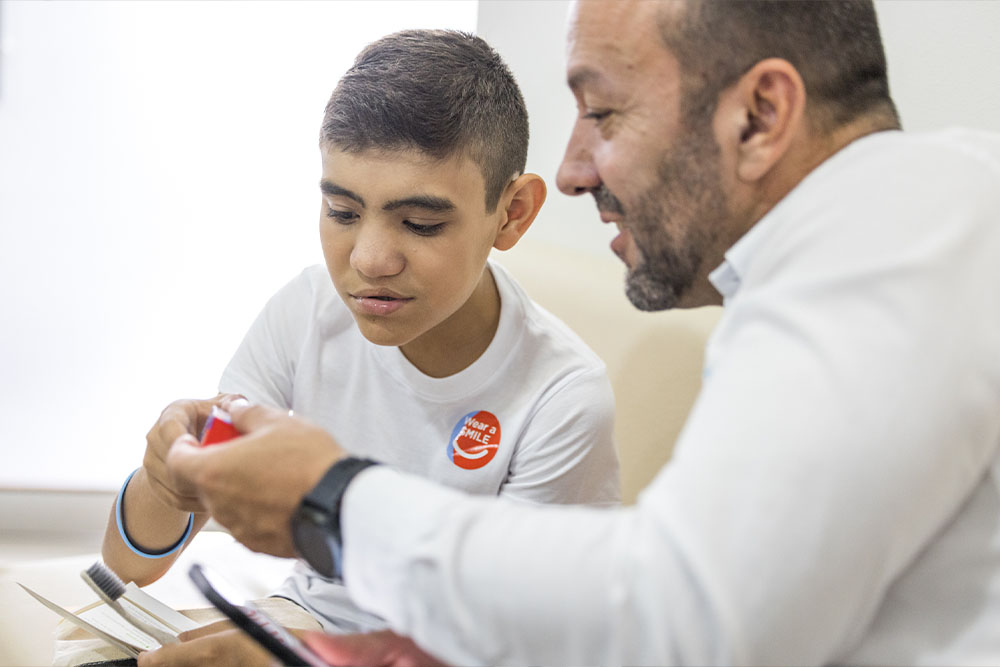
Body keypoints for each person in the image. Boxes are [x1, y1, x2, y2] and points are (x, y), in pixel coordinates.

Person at [164, 1, 1000, 665]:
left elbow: (684, 618)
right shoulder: (904, 227)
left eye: (603, 111)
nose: (572, 170)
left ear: (760, 115)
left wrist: (334, 498)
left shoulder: (884, 246)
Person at [101, 28, 621, 666]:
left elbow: (523, 645)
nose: (369, 260)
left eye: (420, 224)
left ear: (511, 214)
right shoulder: (310, 310)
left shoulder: (561, 398)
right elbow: (128, 565)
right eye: (343, 213)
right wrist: (166, 476)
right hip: (296, 620)